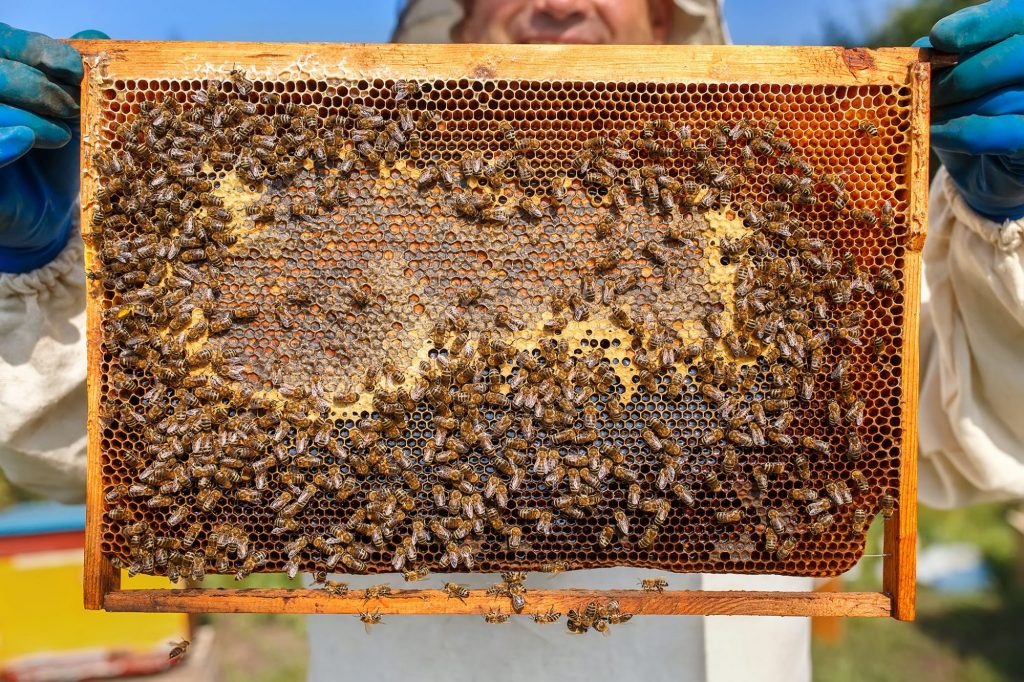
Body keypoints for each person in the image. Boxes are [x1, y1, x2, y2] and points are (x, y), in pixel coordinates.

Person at [1, 0, 1023, 680]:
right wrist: (27, 275)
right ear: (451, 23)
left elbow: (975, 433)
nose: (556, 3)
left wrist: (1007, 232)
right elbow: (98, 444)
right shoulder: (314, 237)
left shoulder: (780, 230)